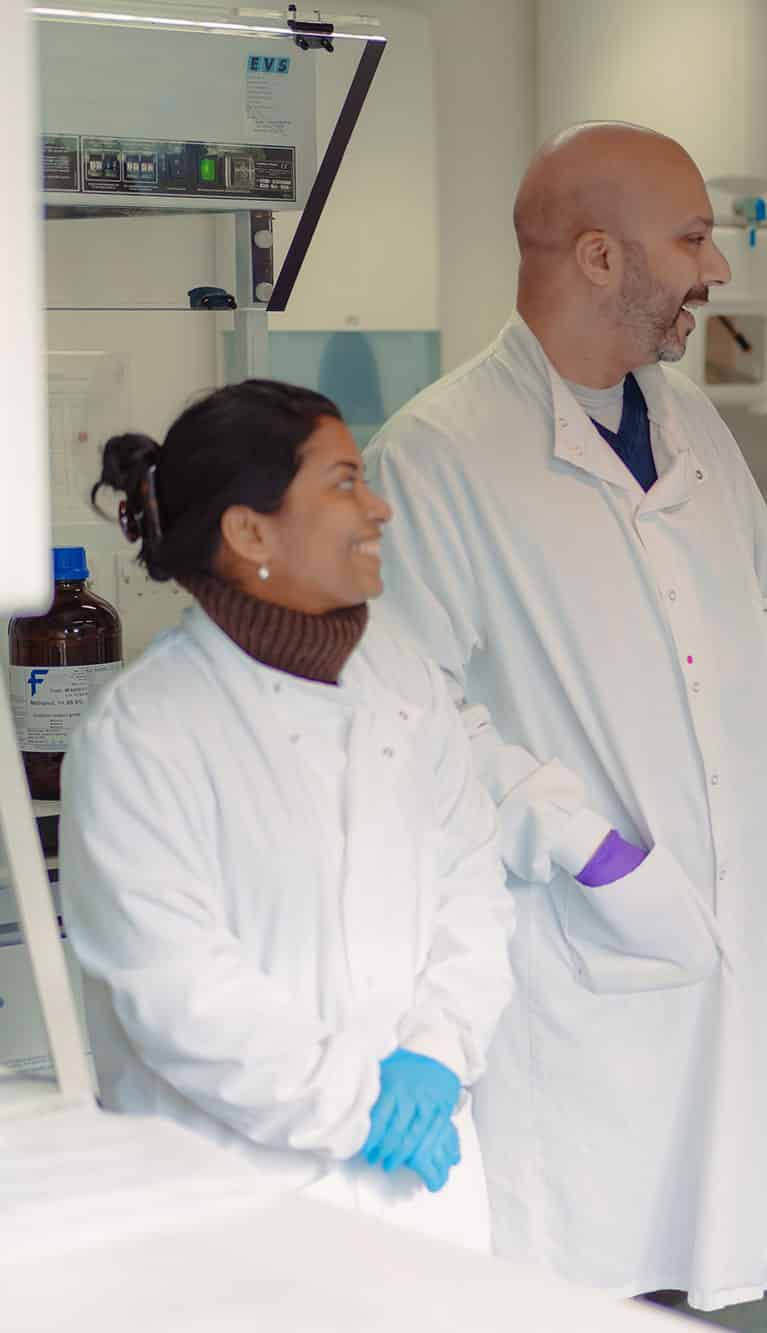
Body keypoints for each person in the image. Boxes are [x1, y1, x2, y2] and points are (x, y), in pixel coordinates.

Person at [361, 123, 767, 1311]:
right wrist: (592, 848)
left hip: (745, 916)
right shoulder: (437, 453)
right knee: (585, 1284)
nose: (714, 268)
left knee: (721, 1273)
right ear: (594, 256)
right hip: (579, 939)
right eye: (690, 238)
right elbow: (409, 711)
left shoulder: (688, 423)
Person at [64, 381, 514, 1249]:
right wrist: (359, 1105)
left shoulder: (404, 679)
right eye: (346, 482)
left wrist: (439, 1050)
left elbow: (472, 885)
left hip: (424, 1178)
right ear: (250, 532)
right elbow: (180, 991)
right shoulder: (143, 734)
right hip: (237, 1202)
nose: (378, 507)